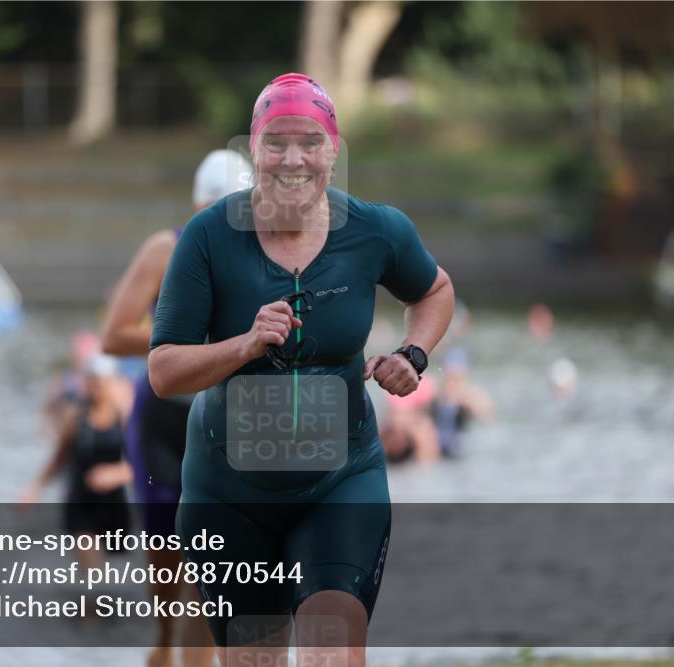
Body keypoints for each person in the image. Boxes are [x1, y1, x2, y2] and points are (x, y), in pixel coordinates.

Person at [148, 73, 455, 667]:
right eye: (276, 142)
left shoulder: (376, 229)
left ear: (333, 151)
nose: (294, 159)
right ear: (254, 151)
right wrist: (244, 344)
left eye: (310, 142)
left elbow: (435, 290)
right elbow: (164, 371)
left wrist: (412, 355)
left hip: (340, 483)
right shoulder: (209, 237)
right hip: (228, 495)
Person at [100, 149, 251, 667]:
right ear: (196, 206)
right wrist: (182, 341)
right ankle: (165, 643)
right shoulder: (165, 250)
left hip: (224, 423)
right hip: (164, 421)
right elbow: (114, 335)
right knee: (167, 569)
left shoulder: (266, 256)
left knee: (210, 571)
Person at [20, 354, 133, 571]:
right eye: (93, 382)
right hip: (80, 504)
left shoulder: (124, 419)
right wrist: (35, 488)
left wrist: (118, 473)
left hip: (114, 507)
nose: (97, 388)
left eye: (102, 383)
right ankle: (89, 602)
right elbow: (58, 459)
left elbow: (143, 466)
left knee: (116, 579)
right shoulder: (75, 418)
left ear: (113, 384)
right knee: (94, 573)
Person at [430, 347, 495, 459]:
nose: (452, 379)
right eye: (450, 374)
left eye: (456, 376)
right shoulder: (437, 393)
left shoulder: (473, 394)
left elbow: (488, 417)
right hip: (438, 447)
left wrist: (464, 401)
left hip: (461, 447)